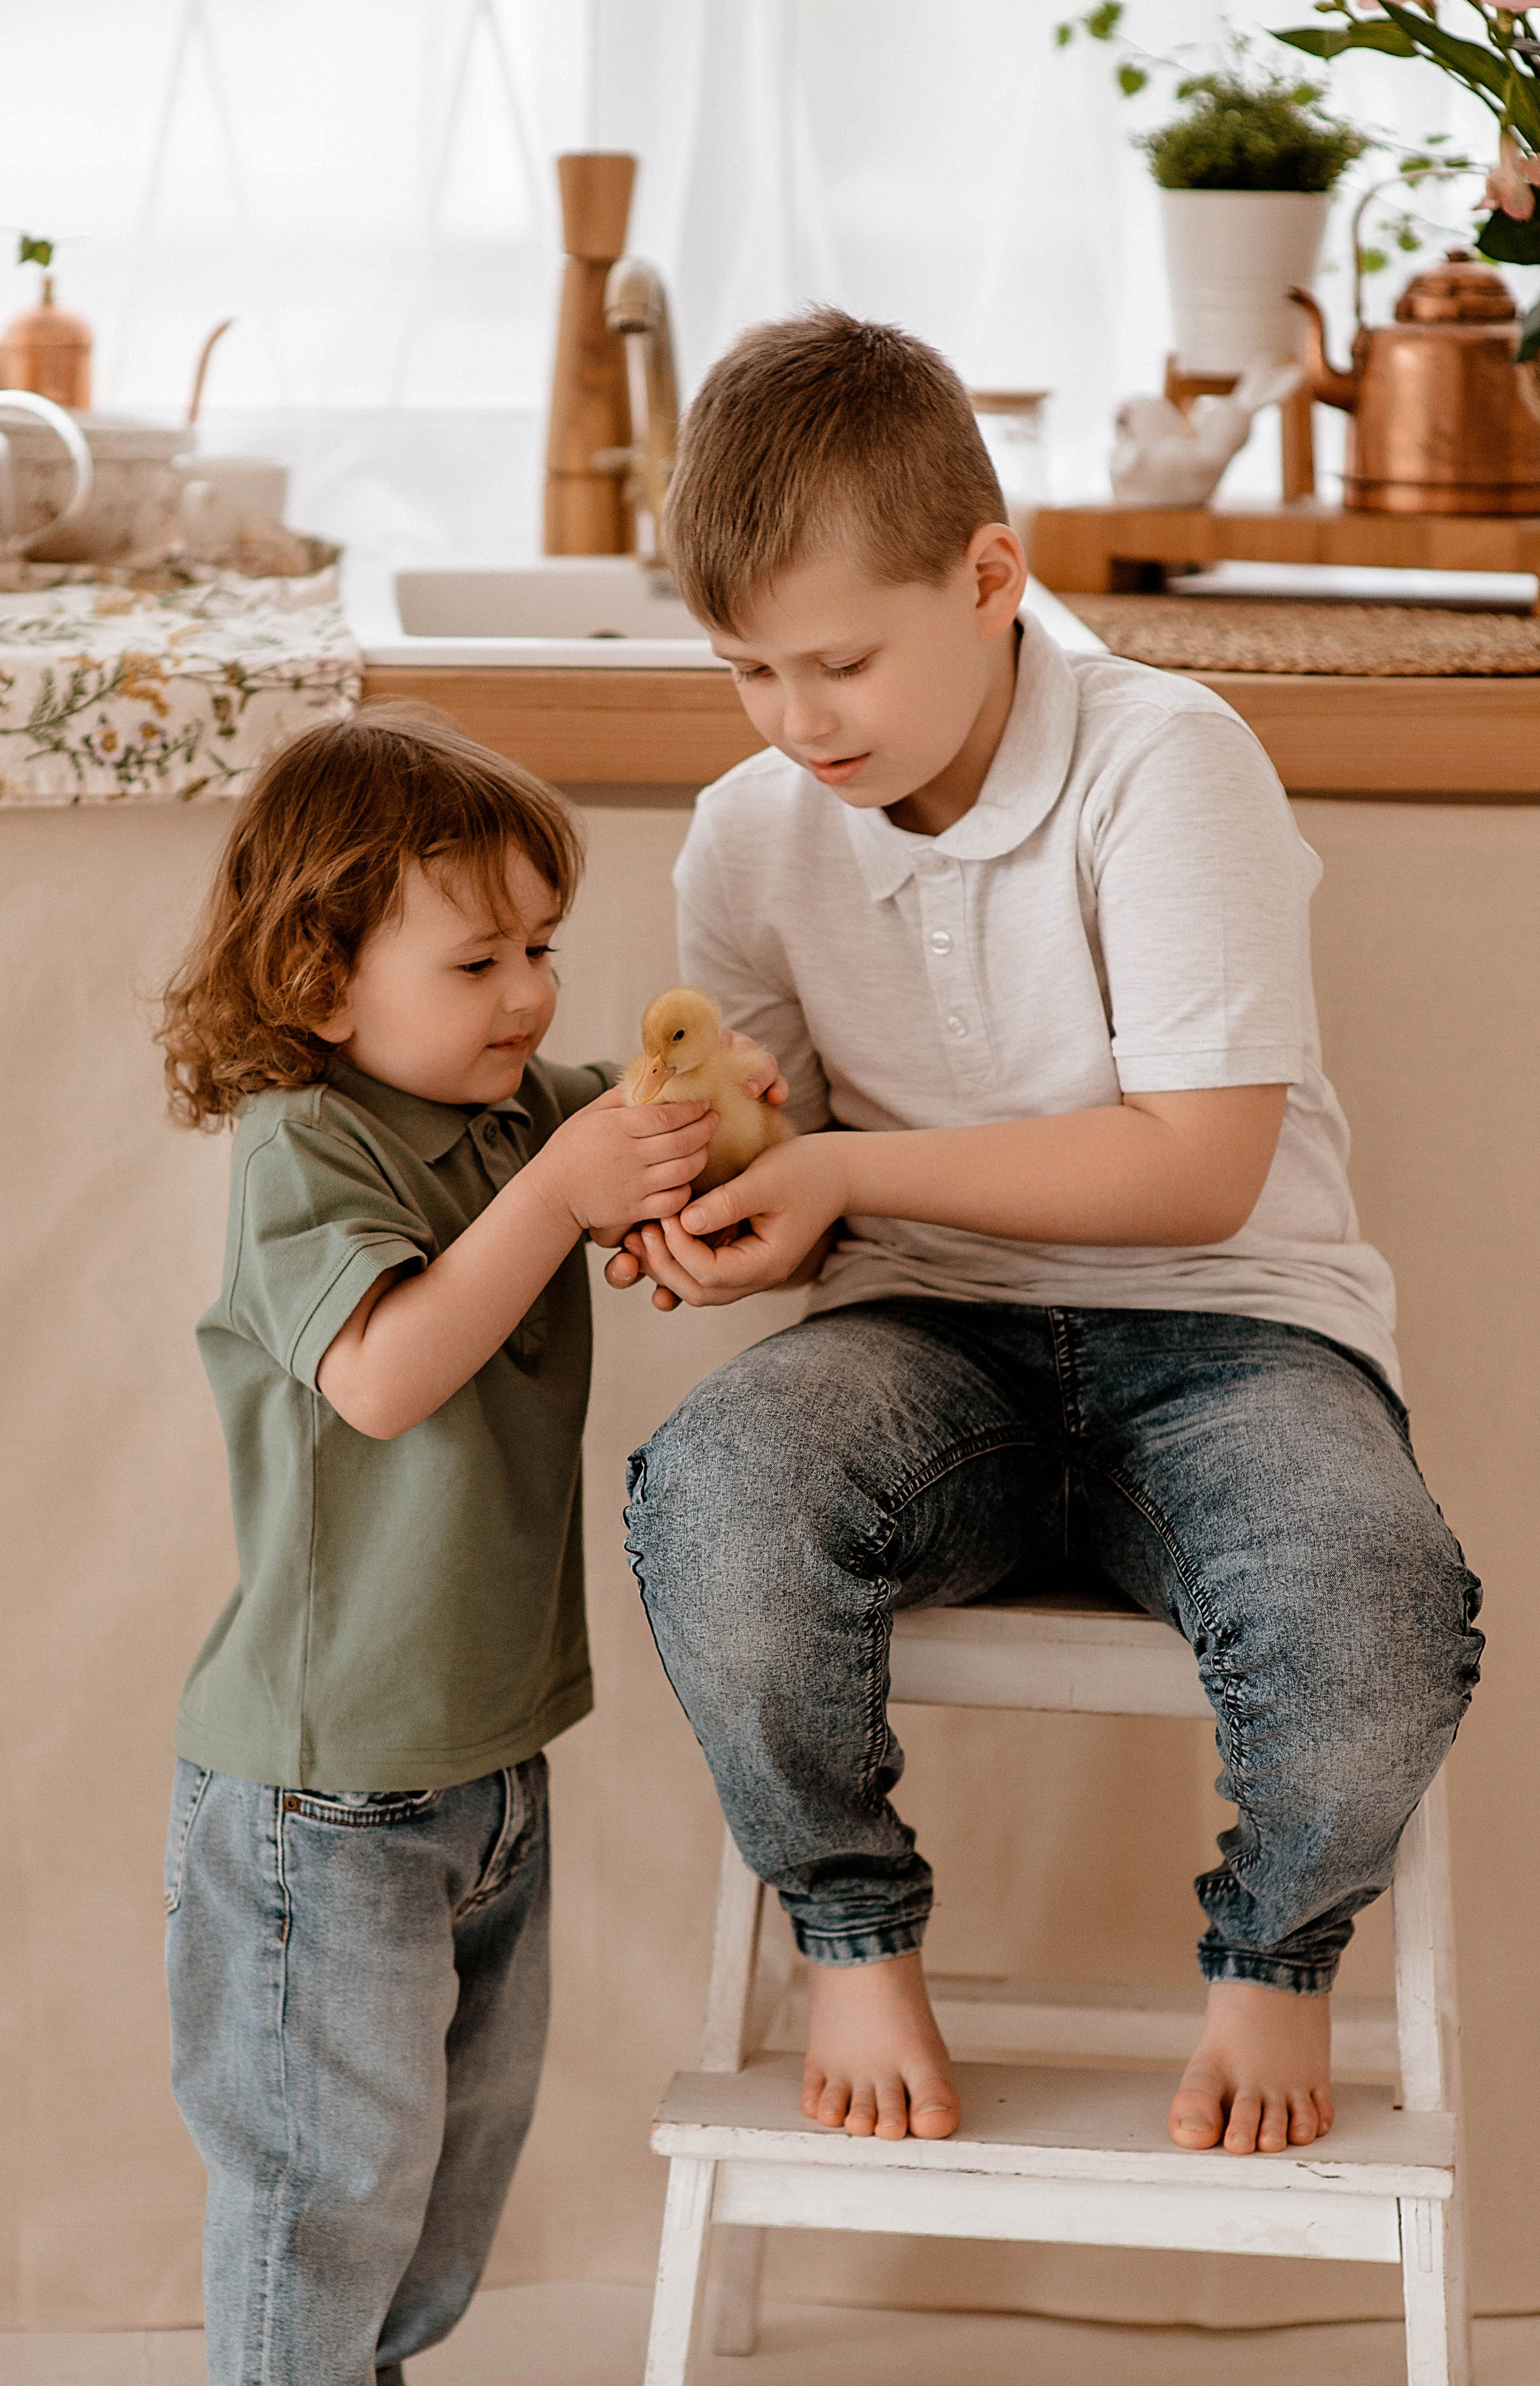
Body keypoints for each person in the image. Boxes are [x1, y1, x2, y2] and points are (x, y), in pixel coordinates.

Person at [610, 310, 1483, 2162]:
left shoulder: (1165, 760)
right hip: (927, 1340)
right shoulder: (750, 835)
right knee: (712, 1492)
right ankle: (847, 1927)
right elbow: (780, 1147)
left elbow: (1197, 1171)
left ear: (993, 576)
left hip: (1233, 1332)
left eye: (839, 661)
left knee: (1377, 1600)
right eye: (747, 671)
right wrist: (722, 1224)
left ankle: (1274, 1953)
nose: (797, 719)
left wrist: (844, 1184)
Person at [157, 710, 775, 2386]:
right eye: (477, 959)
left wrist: (710, 1138)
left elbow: (635, 1138)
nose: (528, 997)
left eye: (541, 952)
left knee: (446, 2138)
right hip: (325, 1779)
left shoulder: (509, 1110)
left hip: (485, 1754)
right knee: (324, 2155)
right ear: (319, 974)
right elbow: (384, 1372)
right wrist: (562, 1192)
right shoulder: (308, 1147)